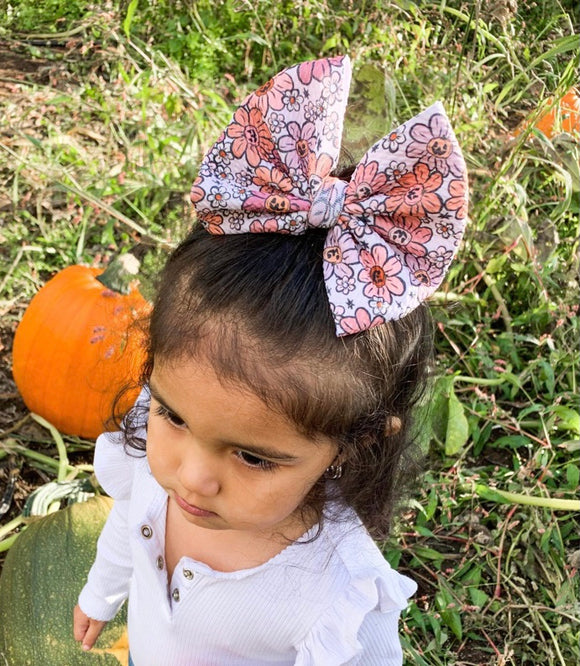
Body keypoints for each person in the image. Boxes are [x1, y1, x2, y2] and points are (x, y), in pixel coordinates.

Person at [73, 54, 468, 665]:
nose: (192, 476)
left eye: (254, 457)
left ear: (354, 444)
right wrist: (102, 595)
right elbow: (130, 528)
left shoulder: (336, 596)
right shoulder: (157, 466)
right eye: (172, 415)